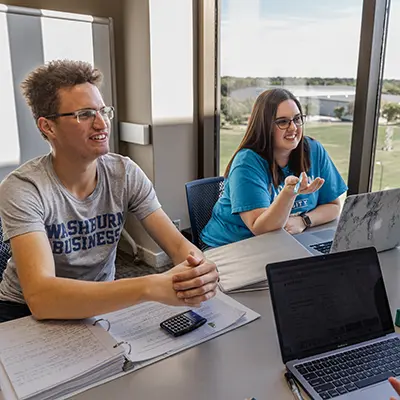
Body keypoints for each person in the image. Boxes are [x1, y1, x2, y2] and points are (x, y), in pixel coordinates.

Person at [0, 60, 218, 323]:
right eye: (84, 114)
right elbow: (42, 298)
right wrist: (148, 286)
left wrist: (200, 270)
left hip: (100, 301)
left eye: (103, 111)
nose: (102, 124)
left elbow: (177, 245)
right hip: (24, 312)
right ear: (47, 127)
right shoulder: (24, 188)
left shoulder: (124, 173)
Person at [201, 88, 348, 248]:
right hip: (231, 246)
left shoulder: (313, 150)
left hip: (282, 243)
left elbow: (333, 206)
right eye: (283, 122)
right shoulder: (246, 163)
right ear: (265, 126)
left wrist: (304, 220)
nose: (293, 128)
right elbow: (262, 229)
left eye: (297, 119)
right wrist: (289, 193)